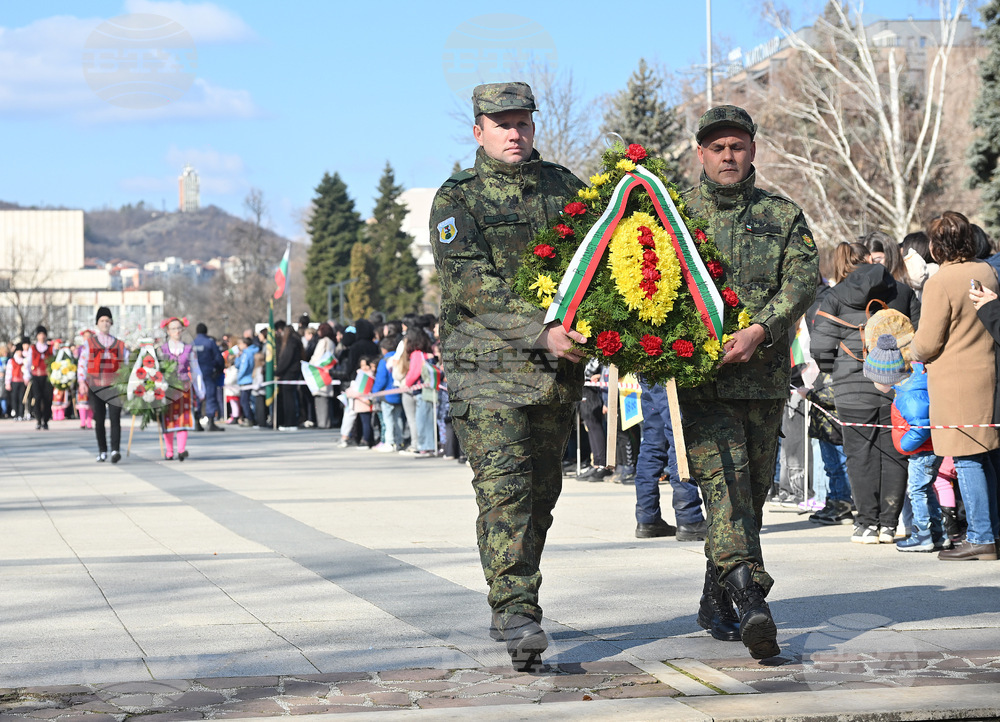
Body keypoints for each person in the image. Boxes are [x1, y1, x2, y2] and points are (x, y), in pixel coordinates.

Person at [430, 81, 587, 670]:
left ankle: (510, 599)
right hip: (488, 368)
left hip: (553, 373)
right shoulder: (457, 198)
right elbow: (471, 283)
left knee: (542, 494)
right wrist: (539, 328)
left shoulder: (566, 189)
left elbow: (600, 256)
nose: (514, 132)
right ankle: (518, 607)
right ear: (479, 131)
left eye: (522, 121)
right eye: (502, 124)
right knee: (505, 491)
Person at [676, 105, 818, 659]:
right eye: (717, 148)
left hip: (762, 380)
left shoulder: (783, 215)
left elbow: (803, 278)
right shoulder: (675, 217)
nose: (727, 156)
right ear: (701, 154)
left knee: (752, 495)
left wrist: (762, 329)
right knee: (725, 488)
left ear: (753, 150)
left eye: (737, 146)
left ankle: (717, 601)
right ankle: (752, 598)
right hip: (702, 381)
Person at [812, 243, 918, 545]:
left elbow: (820, 347)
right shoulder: (901, 292)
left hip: (850, 386)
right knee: (895, 452)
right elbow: (919, 335)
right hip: (894, 382)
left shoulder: (835, 295)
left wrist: (834, 368)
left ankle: (867, 525)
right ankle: (889, 524)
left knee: (859, 455)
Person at [914, 211, 1000, 560]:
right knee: (986, 457)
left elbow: (928, 342)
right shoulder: (985, 270)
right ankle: (991, 531)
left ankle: (980, 536)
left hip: (954, 380)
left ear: (936, 246)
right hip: (988, 374)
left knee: (965, 458)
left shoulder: (940, 282)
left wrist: (911, 347)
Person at [78, 307, 128, 463]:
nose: (105, 323)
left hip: (114, 386)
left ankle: (115, 450)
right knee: (99, 420)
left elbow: (126, 365)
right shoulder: (89, 343)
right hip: (96, 385)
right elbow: (82, 363)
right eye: (102, 321)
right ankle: (102, 450)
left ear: (111, 323)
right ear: (97, 323)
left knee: (115, 418)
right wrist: (81, 381)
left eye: (108, 321)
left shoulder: (119, 344)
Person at [159, 317, 205, 460]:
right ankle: (169, 451)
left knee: (183, 419)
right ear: (168, 331)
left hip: (184, 387)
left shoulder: (188, 348)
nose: (177, 331)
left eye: (179, 328)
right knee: (168, 420)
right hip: (168, 388)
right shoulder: (162, 349)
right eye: (173, 328)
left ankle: (181, 450)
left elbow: (195, 369)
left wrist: (200, 389)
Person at [192, 323, 225, 431]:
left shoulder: (192, 343)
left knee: (197, 396)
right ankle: (211, 422)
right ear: (206, 331)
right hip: (208, 373)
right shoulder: (210, 342)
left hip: (195, 374)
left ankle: (197, 422)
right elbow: (218, 358)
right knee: (210, 396)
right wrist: (219, 369)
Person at [27, 325, 54, 429]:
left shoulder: (50, 349)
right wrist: (27, 375)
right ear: (37, 336)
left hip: (47, 377)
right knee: (37, 398)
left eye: (43, 334)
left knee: (47, 399)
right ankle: (38, 419)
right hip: (36, 376)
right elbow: (28, 363)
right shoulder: (32, 348)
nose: (42, 336)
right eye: (40, 334)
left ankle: (46, 420)